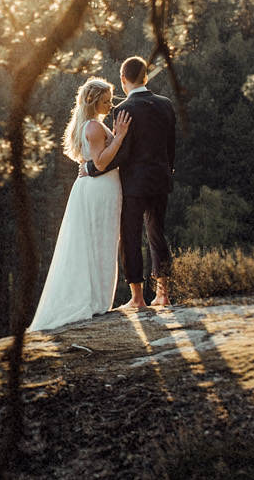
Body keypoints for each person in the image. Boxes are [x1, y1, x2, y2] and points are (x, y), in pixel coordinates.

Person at [28, 77, 130, 331]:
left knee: (97, 242)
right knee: (100, 241)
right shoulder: (94, 127)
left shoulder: (88, 125)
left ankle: (97, 299)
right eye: (106, 101)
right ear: (92, 101)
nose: (110, 105)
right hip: (99, 190)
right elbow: (102, 163)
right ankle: (94, 301)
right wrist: (119, 138)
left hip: (95, 189)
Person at [81, 54, 177, 310]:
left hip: (134, 184)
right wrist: (168, 171)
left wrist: (91, 168)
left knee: (131, 237)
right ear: (145, 77)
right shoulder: (166, 104)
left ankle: (137, 298)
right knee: (157, 234)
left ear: (123, 79)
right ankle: (163, 294)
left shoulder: (125, 109)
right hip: (161, 181)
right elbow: (171, 147)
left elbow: (121, 153)